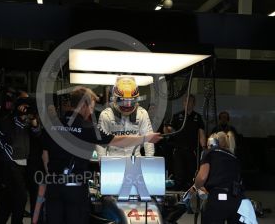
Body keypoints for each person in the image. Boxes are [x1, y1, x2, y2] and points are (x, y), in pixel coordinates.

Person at [42, 86, 162, 224]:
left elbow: (45, 156)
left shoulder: (52, 125)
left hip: (53, 186)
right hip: (75, 188)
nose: (92, 110)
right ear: (84, 105)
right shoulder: (87, 127)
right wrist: (145, 138)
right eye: (91, 106)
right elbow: (118, 141)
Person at [0, 91, 41, 224]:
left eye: (28, 104)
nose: (26, 107)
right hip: (9, 165)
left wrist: (33, 122)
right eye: (23, 103)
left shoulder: (28, 119)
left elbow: (37, 135)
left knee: (9, 205)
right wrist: (20, 116)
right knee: (19, 199)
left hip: (23, 165)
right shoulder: (7, 120)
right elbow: (11, 138)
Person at [190, 131, 244, 224]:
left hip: (218, 199)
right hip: (238, 200)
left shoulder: (210, 152)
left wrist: (196, 186)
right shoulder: (234, 157)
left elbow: (202, 177)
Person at [96, 76, 154, 157]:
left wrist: (149, 160)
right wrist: (101, 161)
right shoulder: (106, 115)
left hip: (135, 158)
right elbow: (101, 142)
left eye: (131, 101)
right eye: (123, 101)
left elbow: (148, 139)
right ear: (115, 99)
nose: (127, 105)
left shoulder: (142, 114)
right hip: (113, 159)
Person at [164, 94, 206, 191]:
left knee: (191, 174)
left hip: (192, 150)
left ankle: (190, 195)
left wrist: (204, 148)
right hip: (178, 149)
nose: (187, 104)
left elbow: (201, 134)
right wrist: (166, 127)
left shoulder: (197, 117)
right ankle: (178, 196)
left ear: (193, 103)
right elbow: (170, 132)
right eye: (185, 101)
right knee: (179, 174)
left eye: (190, 101)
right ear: (183, 103)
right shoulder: (177, 116)